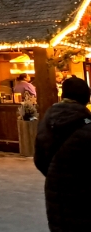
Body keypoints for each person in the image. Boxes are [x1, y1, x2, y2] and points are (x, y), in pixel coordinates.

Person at [35, 76, 91, 232]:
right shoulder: (86, 123)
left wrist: (55, 174)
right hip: (84, 193)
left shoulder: (47, 121)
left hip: (55, 189)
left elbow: (40, 158)